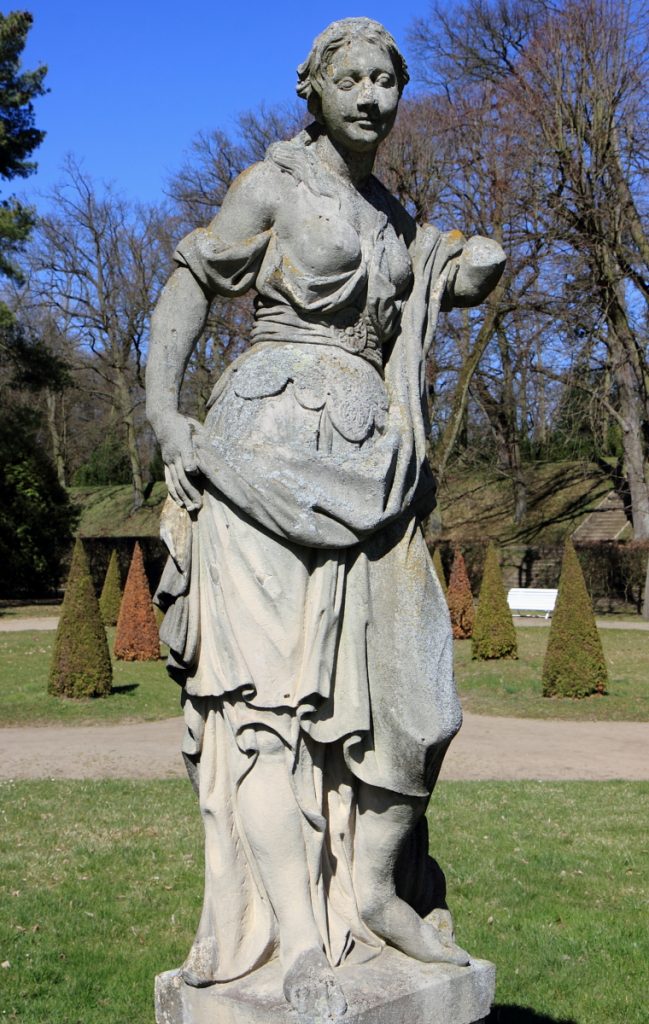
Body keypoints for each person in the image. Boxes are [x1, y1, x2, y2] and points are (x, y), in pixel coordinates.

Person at [146, 17, 505, 1020]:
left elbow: (452, 276)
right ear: (313, 88)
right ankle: (300, 939)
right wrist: (166, 418)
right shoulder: (270, 185)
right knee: (263, 718)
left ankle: (377, 892)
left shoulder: (392, 217)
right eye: (350, 79)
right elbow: (187, 287)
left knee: (412, 701)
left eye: (386, 80)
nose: (371, 97)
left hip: (369, 475)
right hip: (258, 458)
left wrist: (451, 266)